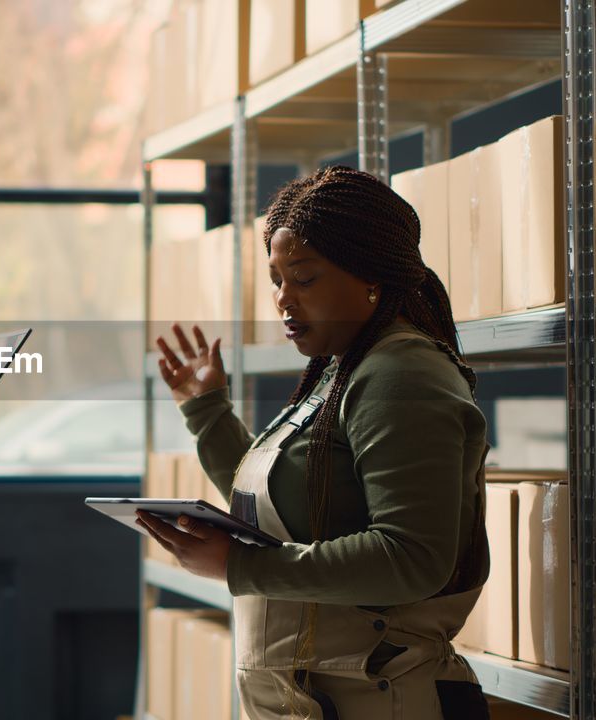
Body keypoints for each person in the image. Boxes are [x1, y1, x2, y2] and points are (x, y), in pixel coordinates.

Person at [138, 167, 491, 719]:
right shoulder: (342, 370)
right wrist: (206, 410)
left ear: (370, 275)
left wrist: (240, 566)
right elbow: (281, 508)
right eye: (276, 279)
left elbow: (414, 558)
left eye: (303, 279)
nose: (284, 299)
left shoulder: (401, 373)